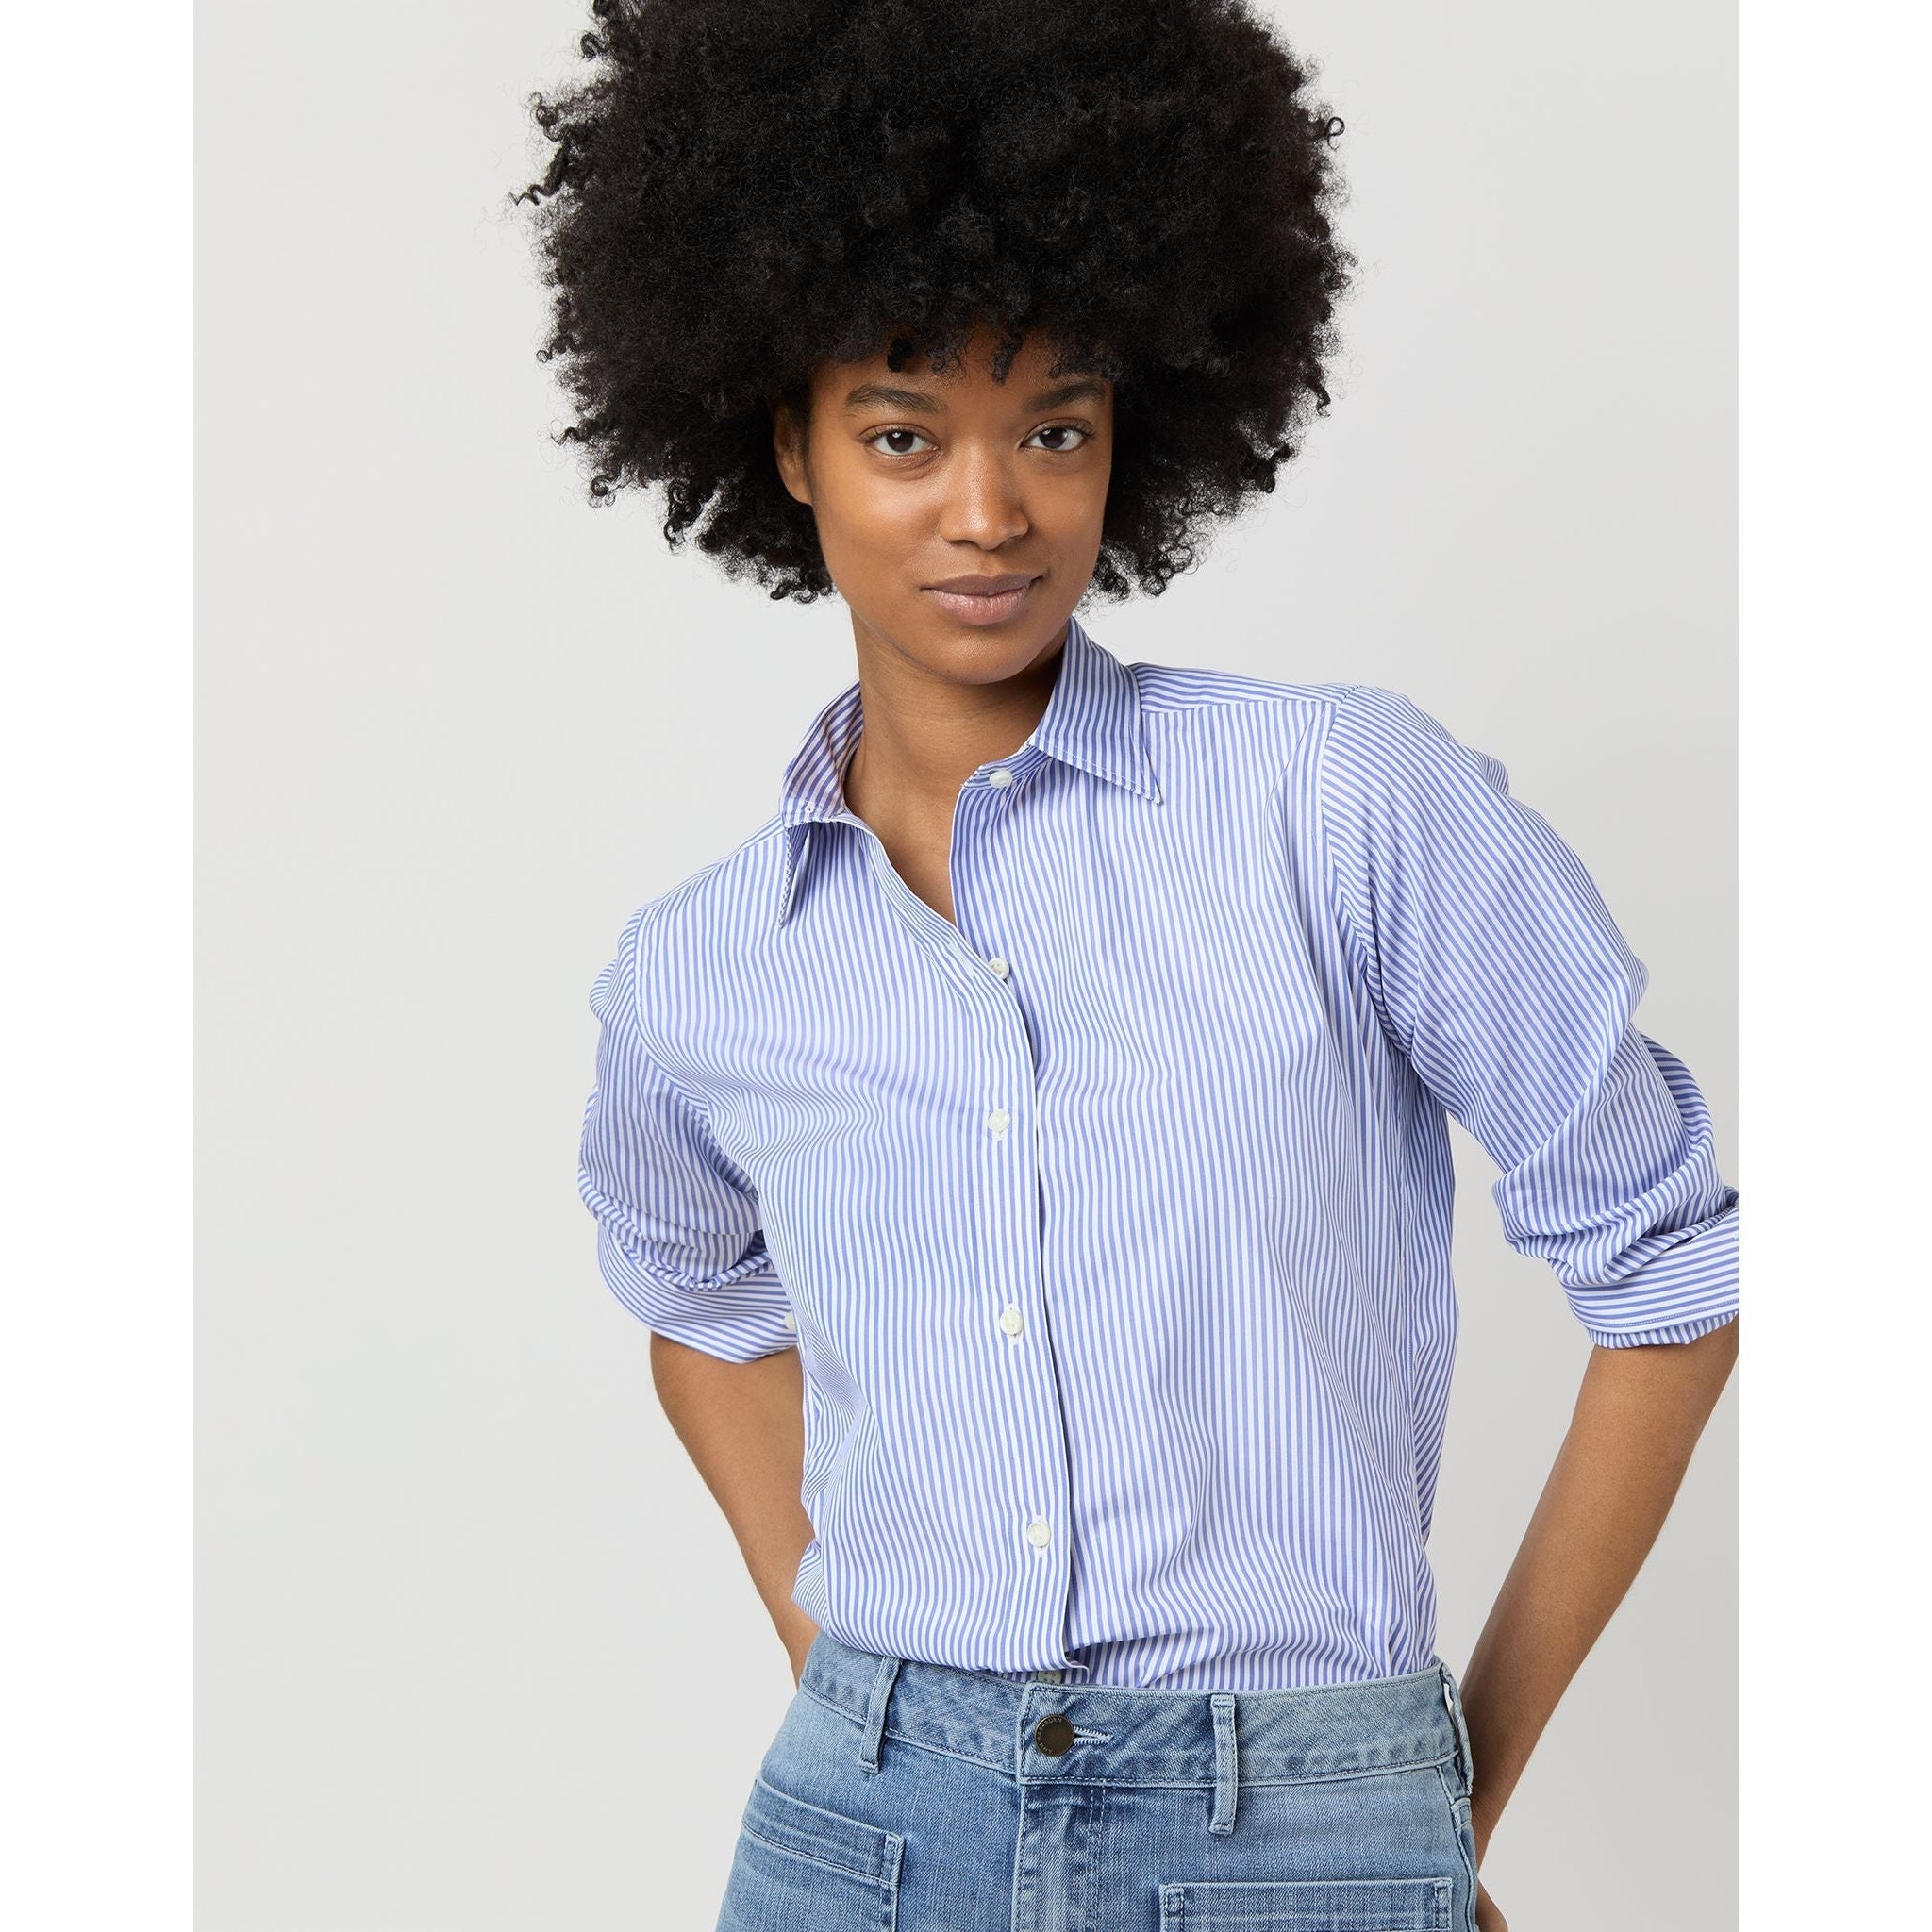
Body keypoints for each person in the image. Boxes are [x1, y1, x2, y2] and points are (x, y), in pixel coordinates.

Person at [519, 4, 1739, 1928]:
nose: (989, 512)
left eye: (1055, 430)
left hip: (1299, 1817)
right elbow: (693, 1294)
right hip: (864, 1832)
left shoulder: (1335, 801)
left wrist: (1435, 1794)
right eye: (903, 434)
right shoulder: (703, 966)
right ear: (786, 446)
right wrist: (834, 1651)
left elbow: (1670, 1270)